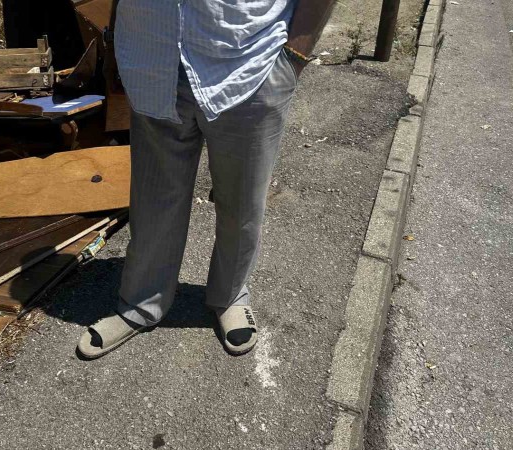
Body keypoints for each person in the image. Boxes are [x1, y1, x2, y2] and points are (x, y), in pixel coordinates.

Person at [78, 0, 337, 358]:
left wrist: (295, 56)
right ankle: (140, 302)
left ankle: (230, 295)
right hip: (150, 55)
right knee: (153, 200)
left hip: (248, 62)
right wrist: (114, 39)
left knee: (241, 202)